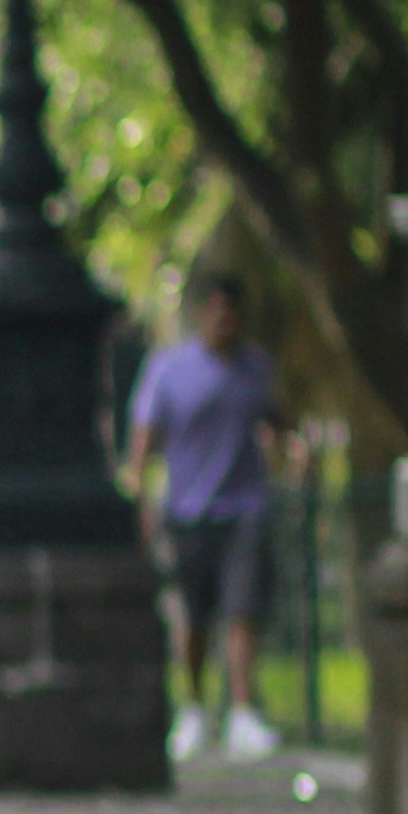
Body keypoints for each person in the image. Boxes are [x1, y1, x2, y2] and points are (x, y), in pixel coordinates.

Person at [127, 269, 292, 761]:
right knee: (192, 618)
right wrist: (141, 502)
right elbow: (144, 442)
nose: (225, 321)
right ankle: (194, 709)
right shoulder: (169, 371)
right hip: (187, 510)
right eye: (217, 311)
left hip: (245, 507)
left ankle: (242, 711)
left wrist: (291, 456)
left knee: (241, 613)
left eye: (233, 313)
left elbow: (278, 421)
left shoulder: (255, 369)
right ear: (203, 314)